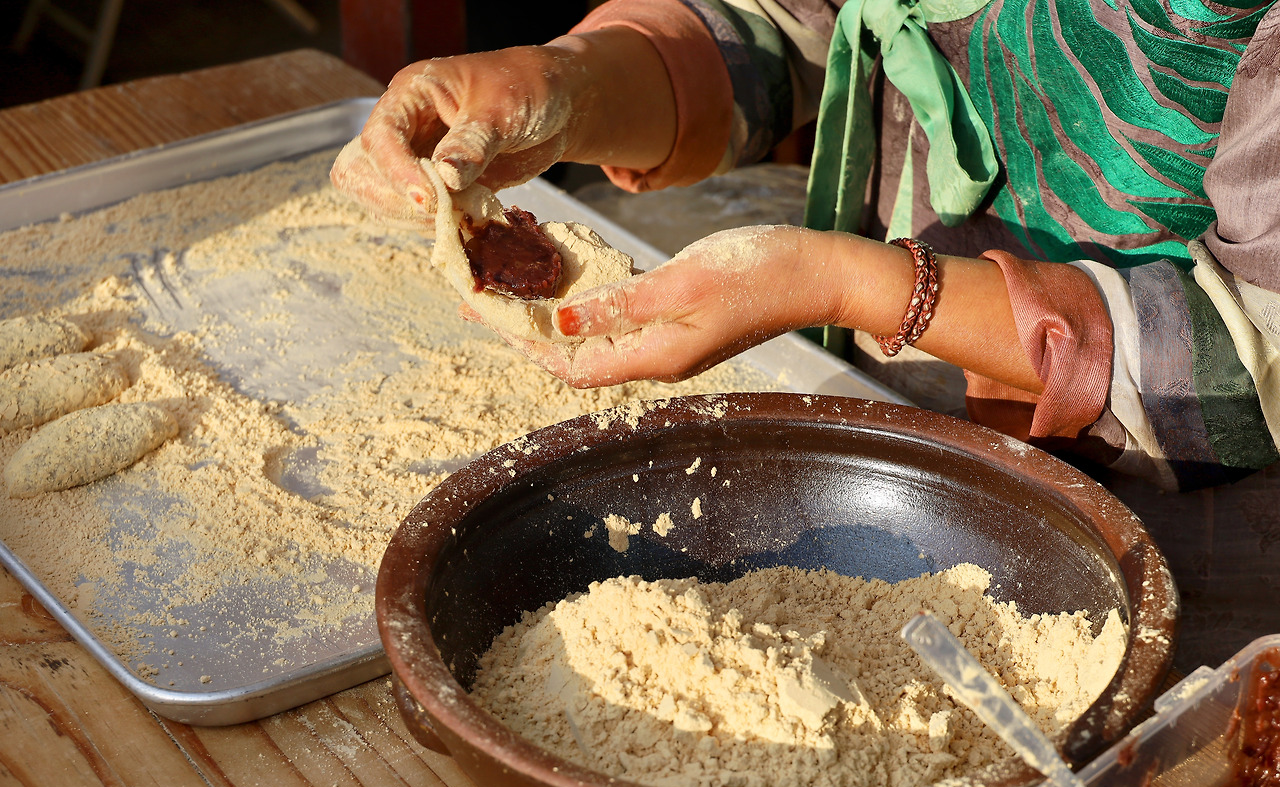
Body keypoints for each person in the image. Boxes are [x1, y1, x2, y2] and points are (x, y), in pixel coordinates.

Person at [333, 0, 1280, 666]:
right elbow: (784, 28)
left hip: (1189, 534)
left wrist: (832, 280)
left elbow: (1251, 356)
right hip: (886, 442)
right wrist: (568, 82)